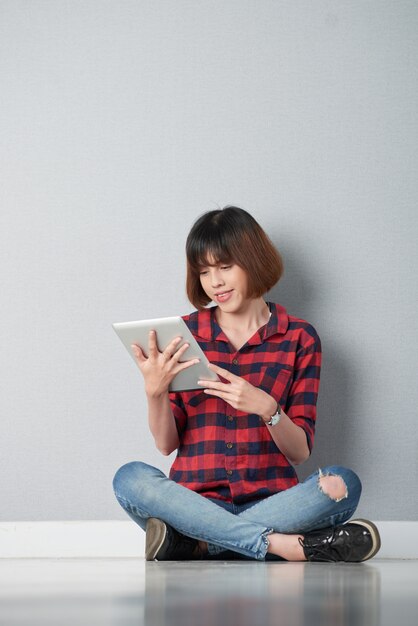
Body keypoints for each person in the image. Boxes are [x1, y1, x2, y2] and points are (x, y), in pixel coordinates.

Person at [113, 206, 381, 562]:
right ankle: (278, 545)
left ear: (253, 260)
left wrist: (267, 408)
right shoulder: (184, 335)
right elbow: (166, 445)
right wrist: (155, 392)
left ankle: (200, 544)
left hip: (272, 502)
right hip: (192, 502)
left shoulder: (299, 338)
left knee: (342, 484)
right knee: (129, 478)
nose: (215, 282)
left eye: (225, 267)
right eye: (204, 271)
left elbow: (299, 451)